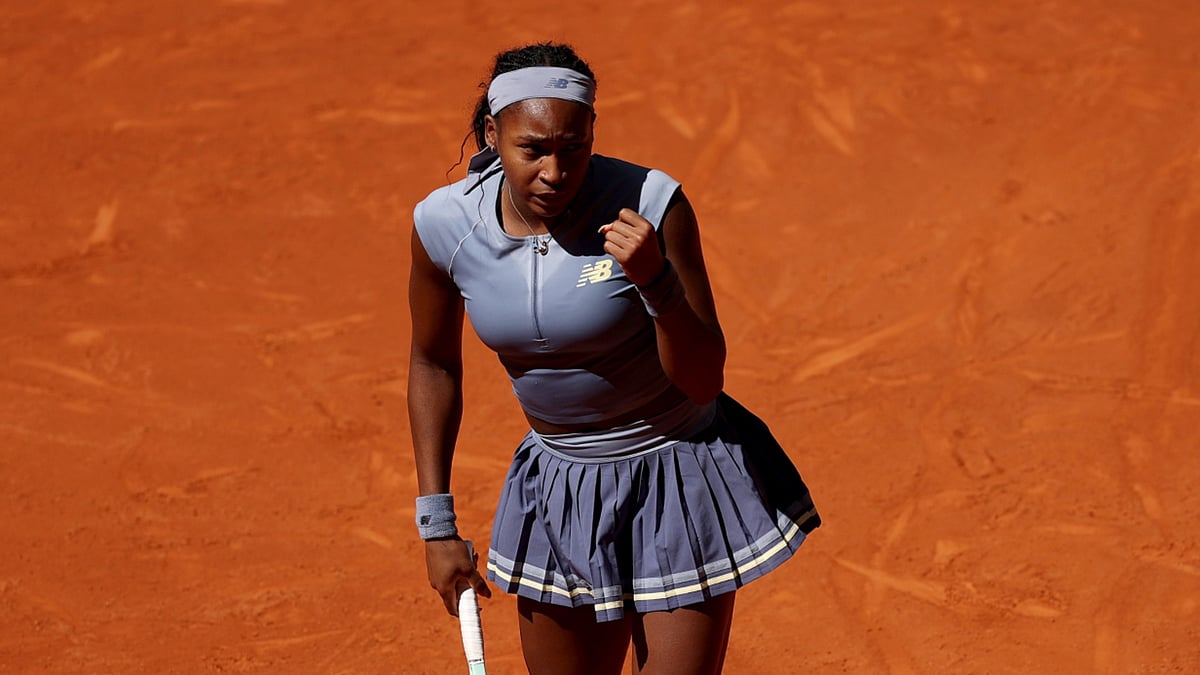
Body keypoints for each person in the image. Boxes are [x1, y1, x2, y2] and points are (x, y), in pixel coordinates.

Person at [407, 42, 820, 675]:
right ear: (493, 134)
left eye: (573, 148)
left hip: (675, 479)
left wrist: (656, 282)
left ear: (592, 133)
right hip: (560, 492)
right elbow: (433, 364)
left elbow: (705, 378)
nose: (555, 171)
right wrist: (436, 524)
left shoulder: (650, 205)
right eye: (532, 150)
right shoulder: (444, 225)